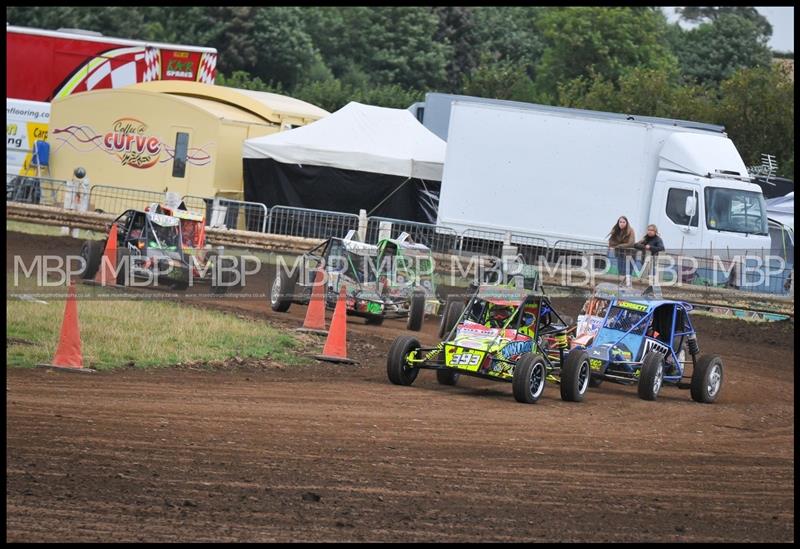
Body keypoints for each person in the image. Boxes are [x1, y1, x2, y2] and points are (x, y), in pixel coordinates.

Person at [607, 216, 636, 287]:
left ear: (626, 223)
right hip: (619, 254)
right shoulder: (615, 230)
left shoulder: (630, 230)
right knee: (621, 271)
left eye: (623, 222)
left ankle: (628, 286)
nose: (622, 224)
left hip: (629, 254)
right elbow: (611, 241)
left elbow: (631, 243)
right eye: (620, 222)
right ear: (618, 223)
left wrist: (618, 246)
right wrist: (613, 246)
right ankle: (623, 285)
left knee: (627, 271)